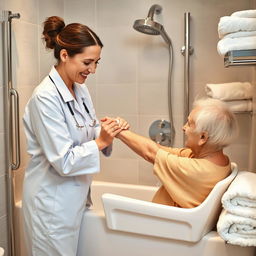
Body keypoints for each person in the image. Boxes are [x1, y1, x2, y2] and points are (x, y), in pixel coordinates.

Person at [22, 16, 128, 256]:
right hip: (51, 206)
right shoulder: (45, 98)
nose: (92, 70)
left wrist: (107, 132)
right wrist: (100, 142)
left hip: (73, 200)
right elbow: (64, 161)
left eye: (97, 62)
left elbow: (86, 134)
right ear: (64, 56)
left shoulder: (80, 89)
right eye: (87, 62)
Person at [113, 98, 238, 208]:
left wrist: (116, 130)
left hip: (163, 228)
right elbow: (158, 149)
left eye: (189, 124)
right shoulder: (216, 160)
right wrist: (122, 131)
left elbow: (150, 153)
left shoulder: (198, 170)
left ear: (203, 138)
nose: (183, 127)